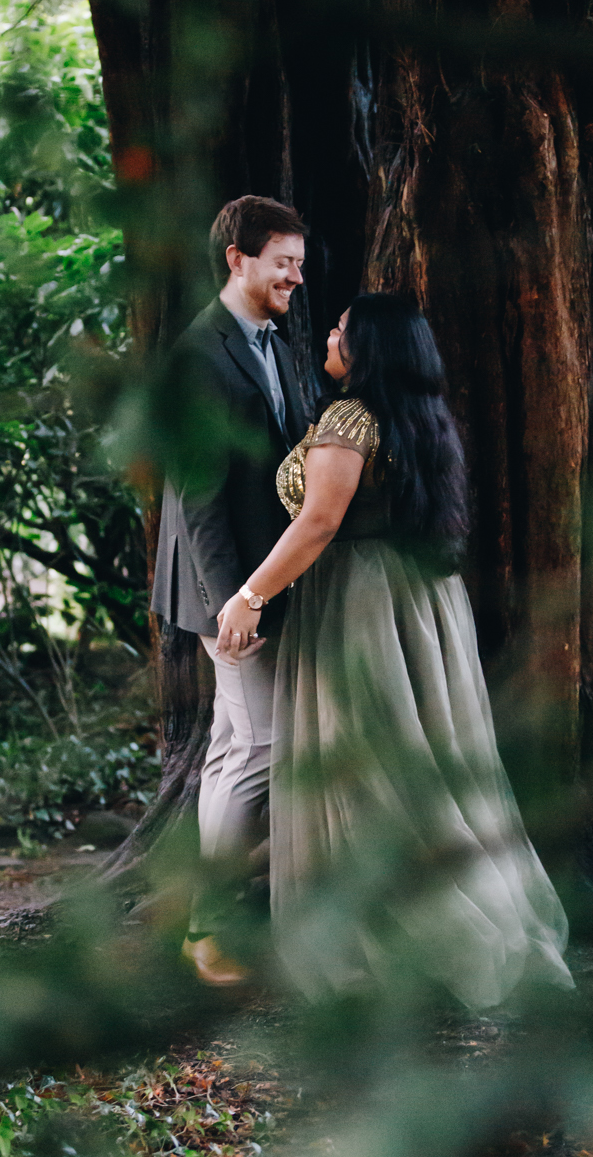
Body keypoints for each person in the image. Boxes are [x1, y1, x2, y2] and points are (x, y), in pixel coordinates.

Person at [215, 293, 573, 1008]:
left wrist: (247, 596)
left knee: (366, 767)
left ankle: (410, 937)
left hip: (360, 604)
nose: (329, 333)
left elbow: (318, 523)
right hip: (418, 599)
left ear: (368, 349)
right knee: (422, 762)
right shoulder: (419, 417)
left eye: (343, 329)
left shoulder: (348, 419)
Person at [150, 195, 311, 984]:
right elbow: (197, 494)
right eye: (282, 262)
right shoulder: (196, 356)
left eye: (299, 264)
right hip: (227, 588)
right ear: (236, 259)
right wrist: (232, 602)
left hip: (264, 581)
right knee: (257, 746)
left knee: (231, 748)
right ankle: (206, 927)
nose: (295, 277)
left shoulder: (278, 342)